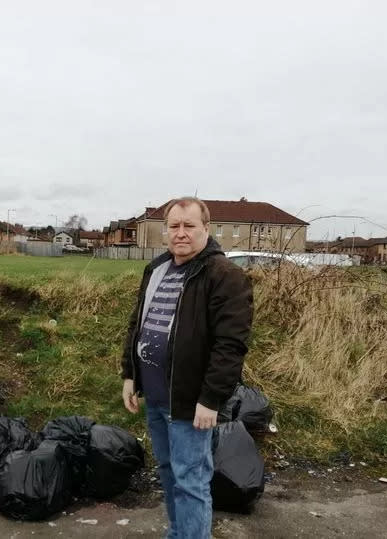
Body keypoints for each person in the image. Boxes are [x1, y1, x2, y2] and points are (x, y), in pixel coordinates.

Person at [121, 197, 253, 538]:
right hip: (155, 395)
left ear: (206, 230)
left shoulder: (224, 276)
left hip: (189, 402)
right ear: (166, 231)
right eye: (174, 226)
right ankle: (179, 532)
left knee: (191, 481)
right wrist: (129, 375)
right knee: (168, 473)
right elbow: (138, 325)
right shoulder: (157, 269)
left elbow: (230, 346)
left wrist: (211, 398)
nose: (181, 233)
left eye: (189, 226)